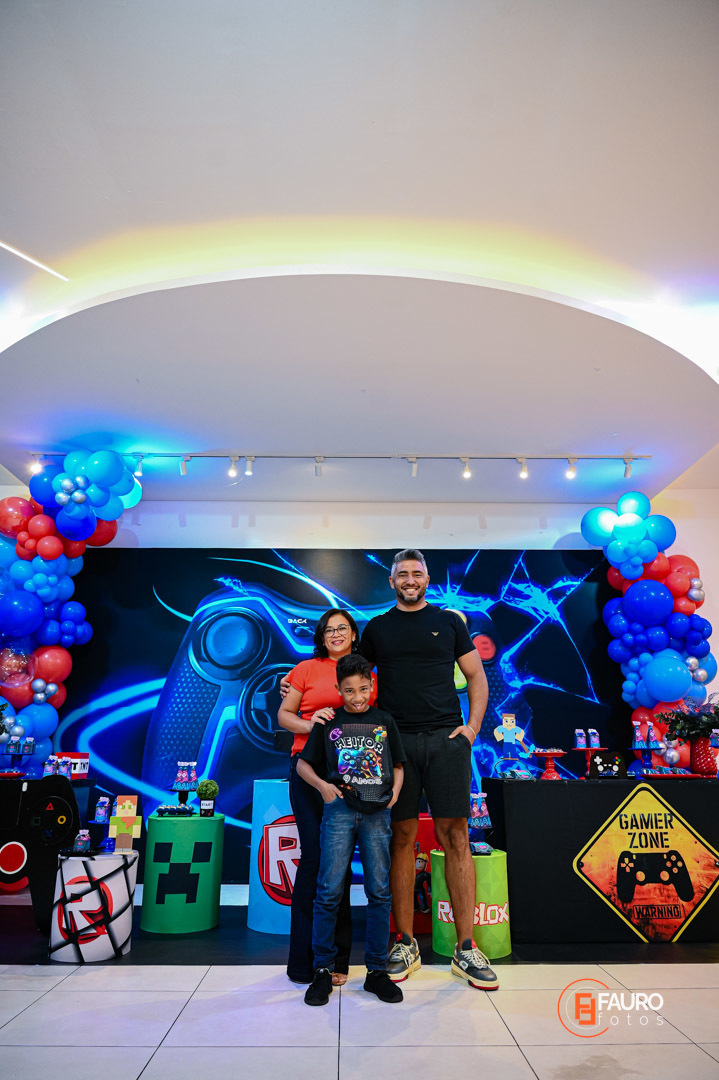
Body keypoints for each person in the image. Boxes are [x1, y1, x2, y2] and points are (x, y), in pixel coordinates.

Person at [360, 548, 499, 990]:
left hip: (445, 740)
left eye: (416, 573)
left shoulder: (450, 623)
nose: (409, 579)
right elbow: (352, 678)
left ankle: (465, 948)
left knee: (455, 835)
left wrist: (471, 729)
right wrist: (294, 684)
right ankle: (405, 943)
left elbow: (476, 677)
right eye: (402, 574)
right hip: (395, 743)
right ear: (391, 581)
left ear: (427, 578)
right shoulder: (377, 628)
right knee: (401, 837)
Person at [297, 653, 405, 1006]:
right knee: (328, 890)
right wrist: (323, 787)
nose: (357, 697)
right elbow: (302, 765)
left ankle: (376, 971)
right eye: (349, 691)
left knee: (379, 892)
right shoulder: (329, 722)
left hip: (377, 815)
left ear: (372, 685)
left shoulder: (384, 721)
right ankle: (322, 970)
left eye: (362, 689)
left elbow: (398, 765)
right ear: (338, 689)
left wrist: (394, 795)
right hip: (340, 812)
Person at [277, 608, 375, 985]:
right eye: (329, 629)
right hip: (307, 769)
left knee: (340, 862)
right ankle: (303, 962)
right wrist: (310, 723)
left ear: (353, 633)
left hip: (350, 772)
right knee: (314, 859)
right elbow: (285, 715)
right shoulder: (305, 669)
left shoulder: (366, 672)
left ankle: (337, 961)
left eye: (342, 628)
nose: (336, 634)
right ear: (321, 635)